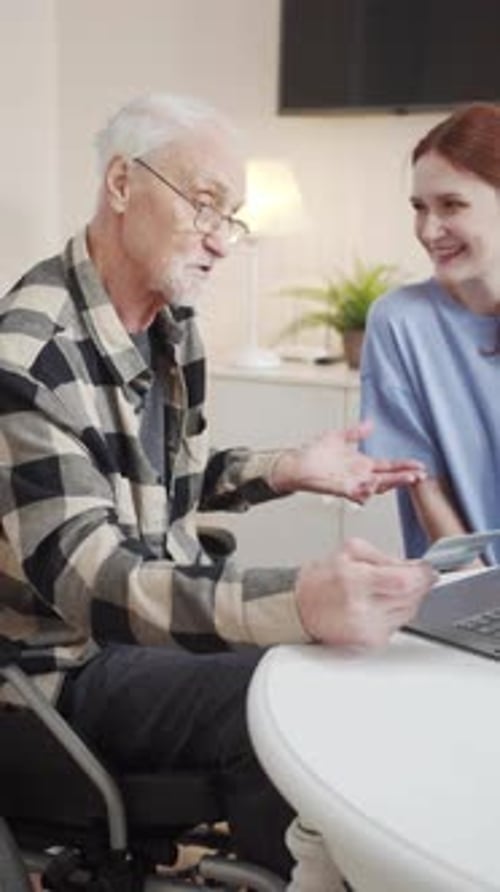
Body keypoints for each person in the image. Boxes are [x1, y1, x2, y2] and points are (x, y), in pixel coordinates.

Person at [0, 92, 434, 883]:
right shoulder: (30, 357)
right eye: (204, 205)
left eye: (230, 216)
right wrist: (295, 601)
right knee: (289, 695)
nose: (221, 241)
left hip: (135, 647)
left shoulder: (169, 324)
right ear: (123, 184)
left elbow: (154, 480)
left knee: (323, 673)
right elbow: (91, 577)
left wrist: (281, 467)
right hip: (60, 674)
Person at [361, 102, 500, 565]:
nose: (428, 229)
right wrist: (484, 598)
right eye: (419, 208)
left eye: (452, 205)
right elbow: (423, 483)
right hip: (470, 596)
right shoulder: (400, 322)